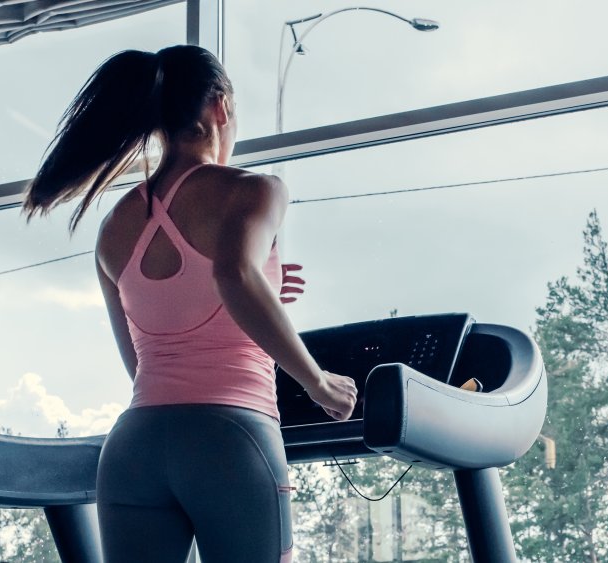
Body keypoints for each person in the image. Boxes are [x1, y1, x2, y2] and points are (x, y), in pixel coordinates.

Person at [20, 45, 357, 563]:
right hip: (231, 437)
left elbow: (142, 360)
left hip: (134, 447)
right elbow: (233, 274)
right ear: (220, 107)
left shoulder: (114, 227)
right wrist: (319, 382)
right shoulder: (257, 190)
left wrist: (258, 293)